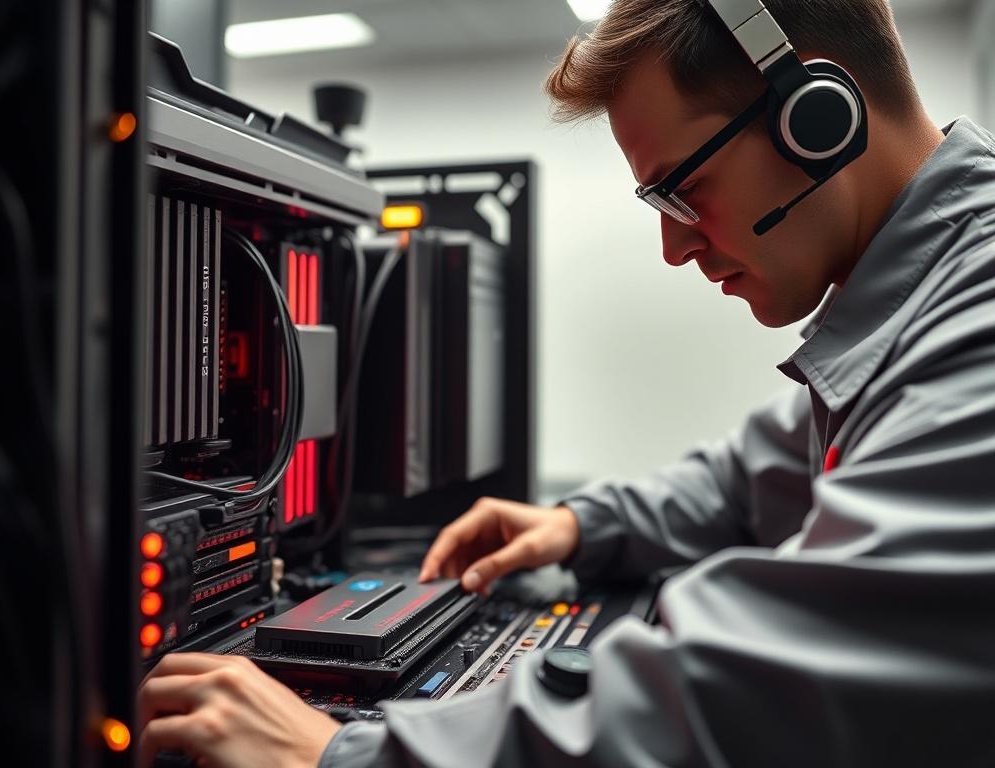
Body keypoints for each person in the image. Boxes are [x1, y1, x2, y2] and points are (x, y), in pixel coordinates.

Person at [139, 0, 995, 765]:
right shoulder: (930, 300)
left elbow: (768, 687)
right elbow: (747, 475)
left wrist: (341, 756)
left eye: (685, 190)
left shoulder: (976, 328)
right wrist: (575, 523)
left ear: (821, 117)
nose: (677, 246)